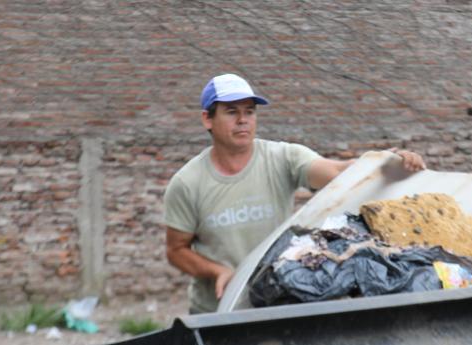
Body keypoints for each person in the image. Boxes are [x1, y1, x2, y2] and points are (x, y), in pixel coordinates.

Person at [163, 73, 427, 313]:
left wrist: (385, 161)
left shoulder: (282, 157)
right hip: (215, 312)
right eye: (231, 112)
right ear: (207, 119)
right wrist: (217, 271)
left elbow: (336, 172)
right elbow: (176, 250)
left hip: (274, 302)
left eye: (250, 111)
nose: (243, 120)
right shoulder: (188, 183)